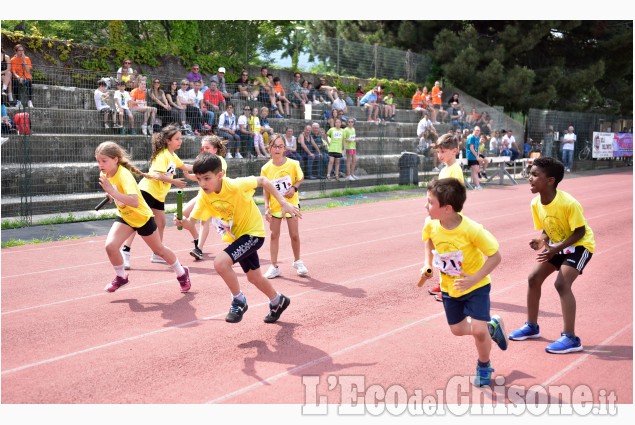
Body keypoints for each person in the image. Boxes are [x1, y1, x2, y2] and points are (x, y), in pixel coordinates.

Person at [175, 153, 300, 324]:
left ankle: (239, 300)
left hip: (253, 233)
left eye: (206, 178)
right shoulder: (205, 195)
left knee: (220, 263)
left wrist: (282, 202)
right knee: (254, 277)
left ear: (220, 175)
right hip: (238, 237)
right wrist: (182, 221)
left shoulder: (235, 185)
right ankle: (278, 301)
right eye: (198, 179)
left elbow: (263, 180)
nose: (202, 184)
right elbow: (191, 223)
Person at [418, 177, 507, 386]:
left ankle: (484, 366)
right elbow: (429, 242)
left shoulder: (472, 229)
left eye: (431, 202)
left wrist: (475, 278)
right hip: (450, 286)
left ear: (447, 209)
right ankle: (492, 327)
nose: (426, 205)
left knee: (477, 330)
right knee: (457, 330)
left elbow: (496, 256)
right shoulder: (430, 224)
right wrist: (427, 264)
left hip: (476, 285)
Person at [508, 157, 595, 354]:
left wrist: (556, 248)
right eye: (530, 174)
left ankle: (571, 338)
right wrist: (541, 241)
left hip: (580, 245)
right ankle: (531, 326)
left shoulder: (568, 203)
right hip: (557, 245)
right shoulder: (536, 203)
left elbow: (579, 232)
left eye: (535, 175)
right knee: (533, 278)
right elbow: (547, 230)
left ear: (550, 180)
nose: (529, 178)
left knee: (562, 284)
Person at [94, 141, 191, 293]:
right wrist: (111, 194)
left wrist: (112, 192)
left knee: (159, 250)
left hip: (142, 217)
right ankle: (121, 277)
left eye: (104, 161)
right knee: (110, 246)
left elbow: (134, 201)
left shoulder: (124, 175)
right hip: (125, 217)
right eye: (98, 161)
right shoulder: (104, 174)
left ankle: (181, 272)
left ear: (115, 159)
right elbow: (115, 192)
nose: (100, 164)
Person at [120, 124, 198, 268]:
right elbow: (156, 175)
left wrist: (203, 164)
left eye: (180, 138)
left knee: (161, 223)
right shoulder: (163, 155)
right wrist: (174, 181)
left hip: (158, 195)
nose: (180, 141)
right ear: (168, 141)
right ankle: (125, 252)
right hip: (147, 191)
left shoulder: (173, 156)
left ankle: (157, 253)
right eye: (177, 139)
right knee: (135, 222)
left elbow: (185, 167)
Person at [261, 134, 308, 279]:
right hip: (275, 206)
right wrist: (267, 206)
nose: (277, 149)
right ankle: (274, 266)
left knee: (294, 235)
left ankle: (297, 261)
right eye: (275, 146)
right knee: (274, 235)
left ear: (284, 148)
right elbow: (265, 188)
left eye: (280, 146)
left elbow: (300, 178)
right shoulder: (266, 168)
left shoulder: (293, 164)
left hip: (291, 204)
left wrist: (294, 188)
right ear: (269, 148)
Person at [180, 135, 229, 260]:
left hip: (214, 196)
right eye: (202, 148)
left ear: (215, 150)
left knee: (204, 221)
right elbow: (198, 176)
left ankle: (199, 248)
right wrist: (187, 173)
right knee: (183, 214)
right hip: (203, 194)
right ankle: (197, 240)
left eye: (207, 148)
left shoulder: (218, 161)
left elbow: (215, 175)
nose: (204, 150)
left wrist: (189, 166)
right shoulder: (204, 160)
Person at [10, 44, 33, 109]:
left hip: (26, 77)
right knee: (14, 81)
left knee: (29, 81)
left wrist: (24, 61)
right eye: (19, 51)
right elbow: (13, 71)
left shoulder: (27, 58)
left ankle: (30, 101)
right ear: (16, 51)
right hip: (18, 77)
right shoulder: (13, 60)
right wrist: (18, 77)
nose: (21, 52)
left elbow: (28, 71)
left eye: (22, 50)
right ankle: (18, 101)